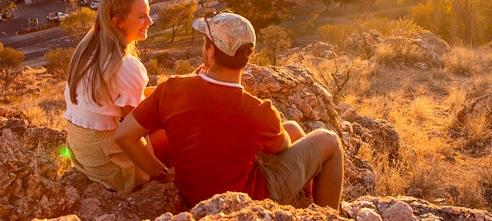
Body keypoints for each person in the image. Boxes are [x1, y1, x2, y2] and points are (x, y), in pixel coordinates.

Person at [115, 11, 344, 208]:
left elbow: (124, 135)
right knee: (328, 140)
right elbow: (282, 147)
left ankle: (305, 198)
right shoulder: (258, 110)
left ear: (211, 51)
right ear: (247, 57)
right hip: (249, 201)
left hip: (192, 195)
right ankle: (325, 213)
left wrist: (161, 173)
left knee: (292, 128)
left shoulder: (172, 89)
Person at [63, 0, 168, 191]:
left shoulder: (88, 48)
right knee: (181, 122)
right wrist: (162, 175)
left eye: (148, 14)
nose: (149, 21)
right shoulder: (125, 65)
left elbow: (125, 100)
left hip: (83, 154)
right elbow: (132, 132)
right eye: (141, 16)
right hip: (111, 164)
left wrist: (179, 85)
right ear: (118, 21)